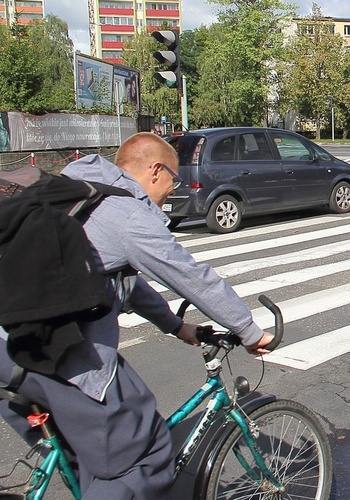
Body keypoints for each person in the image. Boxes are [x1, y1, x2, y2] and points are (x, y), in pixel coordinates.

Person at [0, 132, 273, 498]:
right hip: (54, 355)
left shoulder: (74, 191)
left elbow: (117, 277)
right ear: (156, 170)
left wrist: (176, 325)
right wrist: (250, 331)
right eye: (173, 180)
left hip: (7, 348)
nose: (171, 191)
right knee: (142, 455)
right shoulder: (127, 214)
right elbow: (190, 275)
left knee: (87, 456)